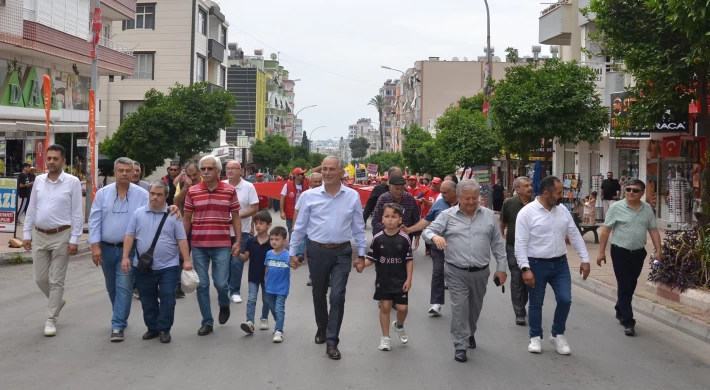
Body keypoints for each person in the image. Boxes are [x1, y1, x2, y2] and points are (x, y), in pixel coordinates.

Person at [289, 156, 367, 360]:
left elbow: (358, 228)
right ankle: (322, 328)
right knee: (319, 294)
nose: (327, 173)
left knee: (337, 296)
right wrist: (292, 253)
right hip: (316, 251)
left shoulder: (352, 196)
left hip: (342, 252)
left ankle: (332, 341)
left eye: (332, 169)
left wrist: (361, 255)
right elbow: (300, 227)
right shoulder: (309, 196)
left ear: (341, 173)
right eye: (324, 169)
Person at [423, 179, 507, 363]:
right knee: (460, 308)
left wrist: (501, 269)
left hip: (481, 271)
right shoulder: (447, 215)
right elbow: (427, 231)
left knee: (474, 309)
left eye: (474, 198)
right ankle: (460, 345)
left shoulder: (488, 216)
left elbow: (498, 245)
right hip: (455, 271)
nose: (471, 202)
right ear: (459, 197)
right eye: (467, 198)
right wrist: (435, 237)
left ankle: (470, 332)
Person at [515, 176, 591, 356]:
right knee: (536, 303)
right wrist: (525, 268)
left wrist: (585, 259)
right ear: (546, 193)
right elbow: (520, 243)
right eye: (558, 193)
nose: (561, 196)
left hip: (560, 264)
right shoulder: (527, 213)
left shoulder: (563, 210)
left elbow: (574, 234)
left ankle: (557, 334)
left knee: (565, 299)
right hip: (536, 264)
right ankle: (535, 337)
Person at [121, 181, 193, 344]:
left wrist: (187, 260)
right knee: (147, 299)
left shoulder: (173, 215)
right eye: (152, 193)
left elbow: (181, 239)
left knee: (168, 297)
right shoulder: (138, 214)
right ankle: (152, 328)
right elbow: (129, 236)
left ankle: (164, 329)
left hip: (169, 266)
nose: (154, 197)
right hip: (143, 266)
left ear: (166, 196)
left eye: (159, 194)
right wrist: (125, 257)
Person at [23, 144, 83, 337]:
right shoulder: (39, 181)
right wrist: (26, 235)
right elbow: (31, 210)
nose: (51, 162)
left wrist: (75, 239)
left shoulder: (72, 182)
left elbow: (76, 213)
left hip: (62, 236)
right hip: (39, 235)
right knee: (40, 279)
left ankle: (50, 319)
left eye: (55, 159)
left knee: (56, 280)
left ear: (63, 161)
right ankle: (57, 301)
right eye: (48, 158)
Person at [88, 157, 150, 342]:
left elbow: (150, 216)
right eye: (120, 170)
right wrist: (95, 246)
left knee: (124, 287)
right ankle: (120, 314)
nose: (124, 173)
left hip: (129, 251)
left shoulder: (142, 194)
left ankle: (117, 325)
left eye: (127, 170)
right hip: (106, 249)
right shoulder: (102, 194)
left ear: (133, 172)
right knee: (111, 287)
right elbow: (94, 220)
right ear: (115, 172)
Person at [183, 156, 241, 336]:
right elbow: (186, 219)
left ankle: (224, 305)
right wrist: (183, 244)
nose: (206, 172)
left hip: (222, 244)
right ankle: (207, 321)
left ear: (218, 171)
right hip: (199, 245)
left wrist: (238, 241)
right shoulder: (192, 191)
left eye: (210, 169)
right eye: (203, 169)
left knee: (221, 283)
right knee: (201, 285)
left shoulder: (229, 191)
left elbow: (236, 218)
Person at [597, 179, 662, 336]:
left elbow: (653, 230)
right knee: (625, 284)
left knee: (631, 285)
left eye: (635, 190)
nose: (631, 192)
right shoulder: (616, 207)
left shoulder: (647, 209)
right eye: (628, 190)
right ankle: (628, 321)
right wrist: (601, 252)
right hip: (620, 251)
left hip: (638, 252)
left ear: (642, 193)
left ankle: (620, 308)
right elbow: (606, 230)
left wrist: (659, 250)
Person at [403, 180, 458, 316]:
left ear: (455, 192)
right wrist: (410, 230)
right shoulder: (439, 204)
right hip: (438, 244)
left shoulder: (464, 204)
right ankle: (436, 303)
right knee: (438, 272)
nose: (442, 195)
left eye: (445, 192)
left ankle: (460, 304)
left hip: (458, 247)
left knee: (457, 275)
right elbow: (426, 221)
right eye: (441, 192)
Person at [363, 203, 413, 351]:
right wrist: (361, 265)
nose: (390, 219)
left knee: (402, 308)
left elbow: (409, 260)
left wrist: (409, 279)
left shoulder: (404, 239)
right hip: (383, 280)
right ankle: (385, 338)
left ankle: (399, 325)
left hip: (400, 280)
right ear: (382, 219)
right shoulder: (378, 238)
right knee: (385, 307)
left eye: (394, 216)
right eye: (387, 216)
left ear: (400, 220)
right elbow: (371, 258)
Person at [499, 176, 534, 326]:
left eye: (530, 185)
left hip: (533, 249)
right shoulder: (509, 204)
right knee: (517, 278)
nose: (530, 188)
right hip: (513, 246)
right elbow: (502, 222)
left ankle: (523, 304)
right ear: (517, 189)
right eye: (526, 186)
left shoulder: (536, 204)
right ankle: (519, 312)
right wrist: (500, 241)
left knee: (528, 279)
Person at [224, 161, 259, 304]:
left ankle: (234, 291)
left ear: (240, 171)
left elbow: (254, 208)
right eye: (228, 169)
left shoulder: (248, 187)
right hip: (223, 231)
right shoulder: (222, 186)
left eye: (233, 168)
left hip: (241, 231)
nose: (230, 171)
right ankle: (224, 287)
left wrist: (236, 218)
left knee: (237, 262)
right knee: (224, 262)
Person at [239, 211, 273, 334]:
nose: (258, 226)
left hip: (268, 277)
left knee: (266, 299)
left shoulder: (272, 243)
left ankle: (264, 318)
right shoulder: (251, 241)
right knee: (251, 298)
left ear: (269, 225)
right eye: (256, 223)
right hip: (253, 275)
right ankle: (250, 322)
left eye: (261, 223)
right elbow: (246, 257)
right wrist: (238, 254)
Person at [292, 172, 323, 286]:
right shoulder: (305, 195)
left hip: (322, 231)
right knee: (312, 255)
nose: (318, 184)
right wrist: (294, 226)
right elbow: (297, 209)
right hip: (308, 230)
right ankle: (312, 276)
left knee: (325, 255)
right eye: (315, 182)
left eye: (320, 181)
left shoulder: (328, 194)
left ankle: (326, 277)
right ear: (310, 182)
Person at [264, 226, 292, 343]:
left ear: (284, 241)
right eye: (272, 239)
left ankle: (278, 331)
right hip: (269, 287)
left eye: (277, 239)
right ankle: (278, 323)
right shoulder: (269, 253)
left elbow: (294, 266)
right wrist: (265, 281)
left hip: (282, 288)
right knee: (272, 307)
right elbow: (267, 268)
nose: (273, 241)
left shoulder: (288, 255)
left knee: (279, 309)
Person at [371, 175, 421, 240]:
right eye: (397, 189)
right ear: (390, 187)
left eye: (402, 189)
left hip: (405, 234)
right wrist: (393, 229)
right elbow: (375, 221)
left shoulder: (410, 198)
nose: (399, 192)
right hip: (386, 236)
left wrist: (417, 235)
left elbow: (416, 218)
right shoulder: (383, 199)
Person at [416, 177, 442, 256]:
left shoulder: (441, 194)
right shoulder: (426, 190)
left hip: (437, 216)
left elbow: (433, 204)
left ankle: (434, 249)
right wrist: (420, 200)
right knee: (427, 232)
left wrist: (426, 201)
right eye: (433, 183)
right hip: (426, 216)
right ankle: (428, 248)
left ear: (440, 185)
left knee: (435, 232)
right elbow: (417, 198)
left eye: (436, 184)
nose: (434, 185)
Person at [280, 167, 309, 235]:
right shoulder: (287, 185)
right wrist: (282, 212)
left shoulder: (307, 184)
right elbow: (282, 198)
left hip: (303, 213)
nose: (303, 175)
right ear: (296, 176)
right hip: (290, 214)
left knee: (303, 232)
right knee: (291, 231)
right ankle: (292, 245)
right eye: (301, 174)